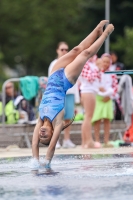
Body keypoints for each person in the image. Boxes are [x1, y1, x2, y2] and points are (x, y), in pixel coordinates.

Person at [31, 20, 114, 170]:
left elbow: (34, 144)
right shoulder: (57, 121)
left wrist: (35, 160)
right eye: (46, 136)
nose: (42, 133)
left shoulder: (40, 119)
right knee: (85, 54)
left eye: (41, 135)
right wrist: (46, 163)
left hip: (53, 75)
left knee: (76, 49)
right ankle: (106, 34)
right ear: (51, 134)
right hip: (64, 81)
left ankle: (97, 31)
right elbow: (50, 149)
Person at [48, 41, 79, 149]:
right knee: (57, 117)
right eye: (62, 49)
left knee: (68, 117)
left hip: (69, 93)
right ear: (57, 51)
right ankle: (55, 140)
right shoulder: (54, 63)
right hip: (58, 93)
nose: (64, 51)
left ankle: (66, 139)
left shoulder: (71, 62)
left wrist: (76, 96)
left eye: (66, 49)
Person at [92, 53, 118, 146]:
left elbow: (115, 87)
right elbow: (93, 83)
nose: (106, 64)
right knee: (97, 119)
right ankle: (97, 140)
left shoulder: (112, 73)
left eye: (108, 62)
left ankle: (106, 141)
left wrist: (110, 96)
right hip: (98, 98)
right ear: (101, 61)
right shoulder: (97, 71)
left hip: (108, 98)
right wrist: (98, 88)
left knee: (107, 120)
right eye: (104, 61)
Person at [79, 55, 101, 148]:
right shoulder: (86, 63)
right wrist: (98, 68)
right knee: (88, 117)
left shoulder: (91, 63)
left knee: (87, 117)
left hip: (89, 91)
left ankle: (85, 142)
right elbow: (89, 78)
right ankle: (89, 141)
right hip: (88, 91)